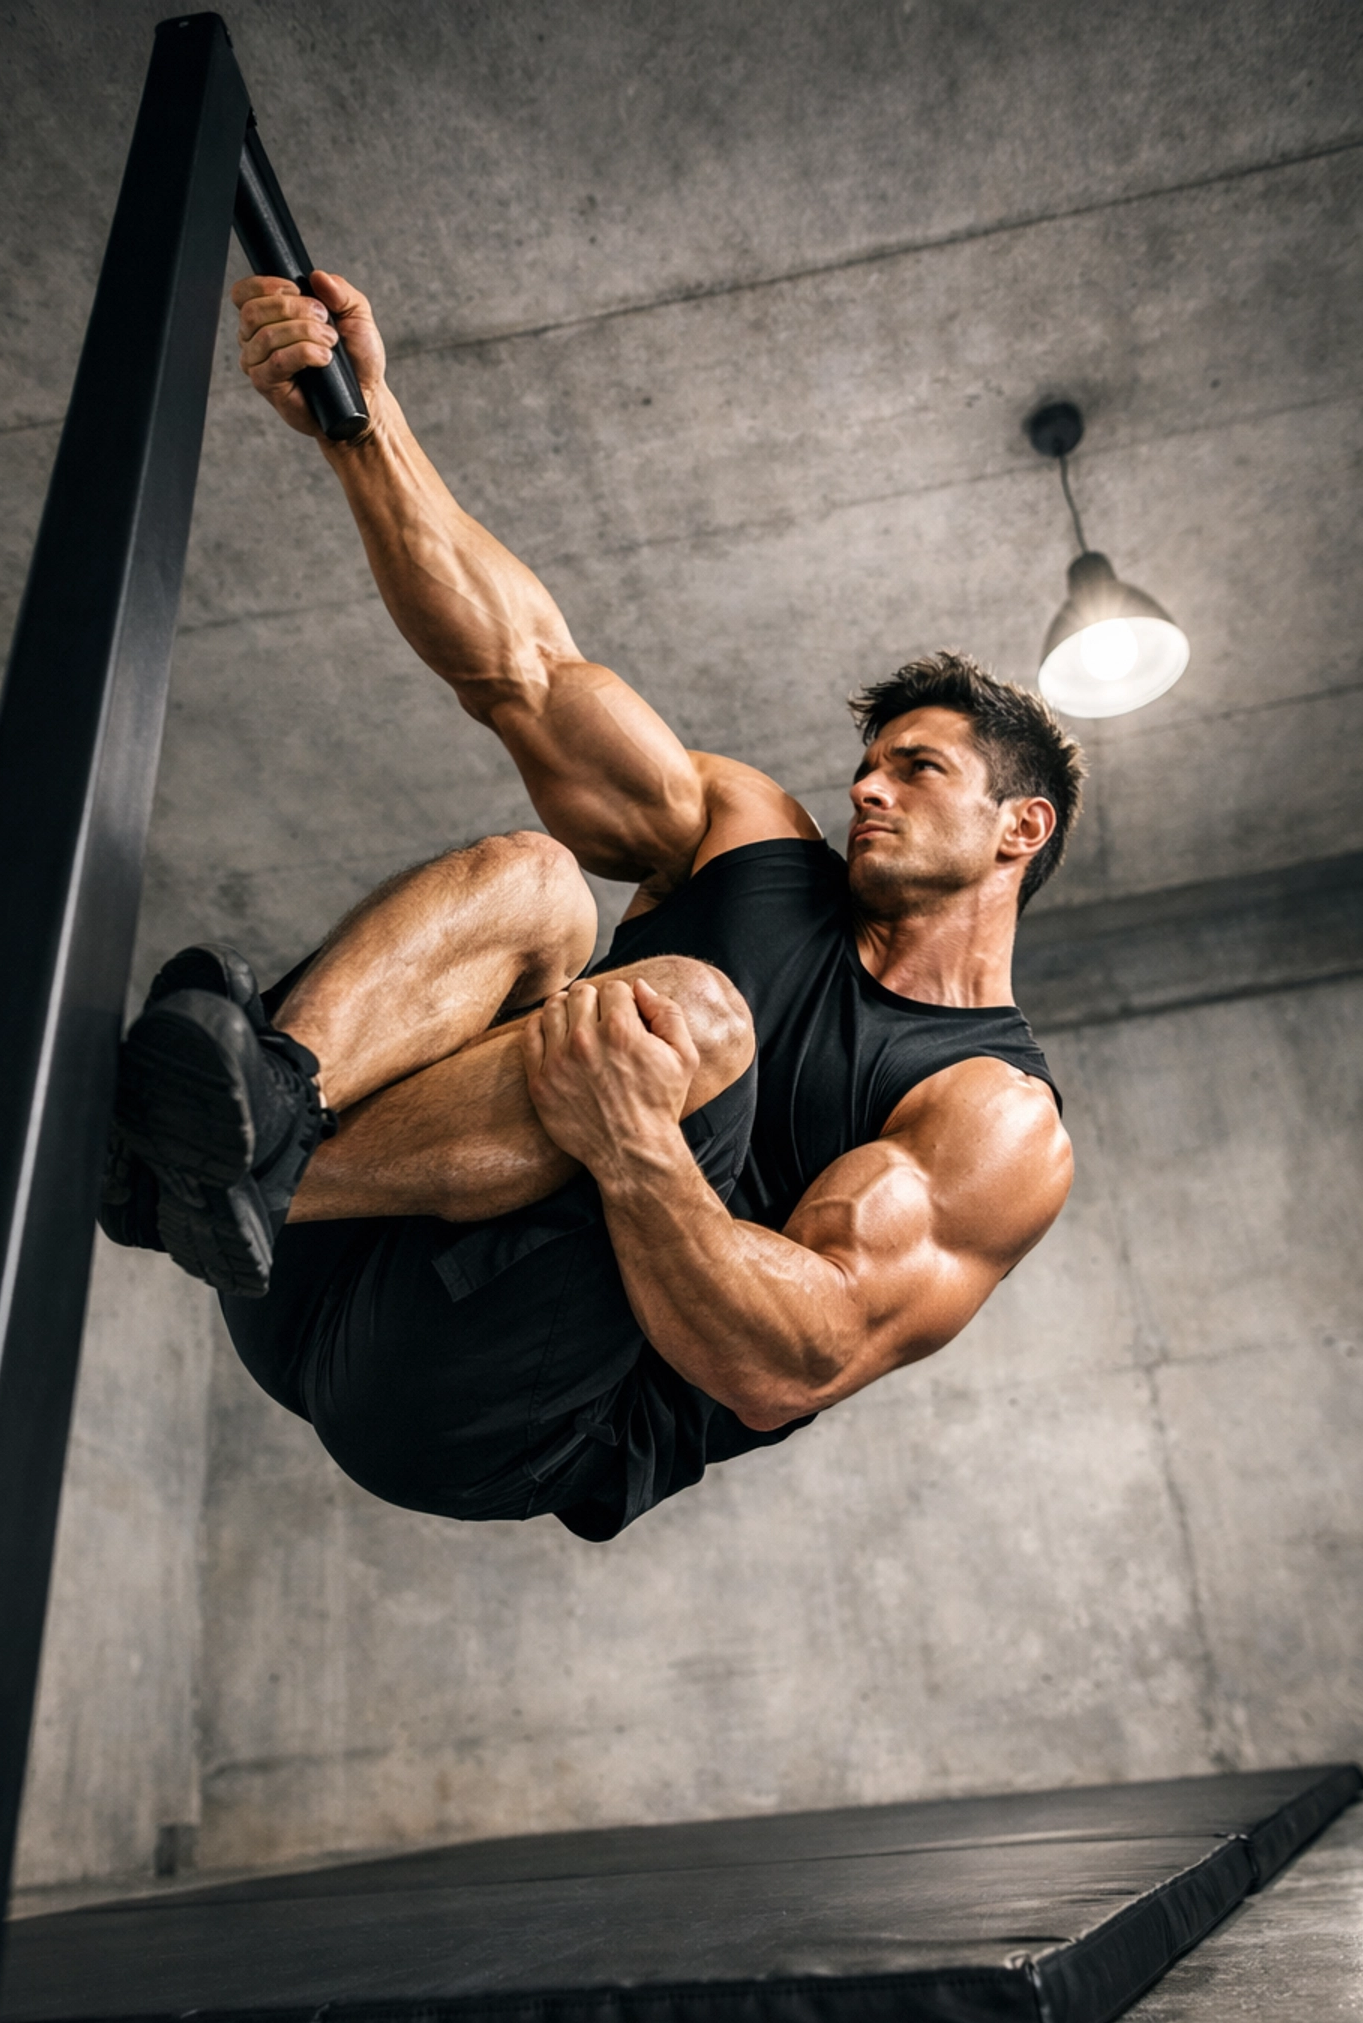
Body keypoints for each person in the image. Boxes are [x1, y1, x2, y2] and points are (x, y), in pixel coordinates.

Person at [102, 268, 1082, 1541]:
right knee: (541, 877)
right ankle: (260, 1121)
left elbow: (797, 1355)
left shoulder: (996, 1118)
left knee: (688, 1015)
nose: (863, 787)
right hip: (313, 1262)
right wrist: (361, 421)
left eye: (916, 768)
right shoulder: (749, 837)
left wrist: (637, 1150)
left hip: (491, 1405)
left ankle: (225, 1171)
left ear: (1022, 826)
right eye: (867, 761)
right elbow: (526, 668)